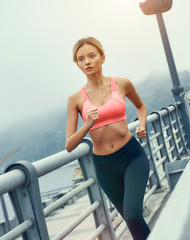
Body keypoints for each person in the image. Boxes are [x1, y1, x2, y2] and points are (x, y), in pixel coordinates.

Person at [65, 36, 150, 240]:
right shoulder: (75, 99)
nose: (87, 61)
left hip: (132, 156)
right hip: (105, 166)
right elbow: (69, 145)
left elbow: (140, 106)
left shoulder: (121, 83)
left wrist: (142, 126)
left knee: (133, 214)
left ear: (102, 57)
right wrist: (87, 125)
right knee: (131, 221)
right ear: (77, 64)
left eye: (92, 55)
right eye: (81, 59)